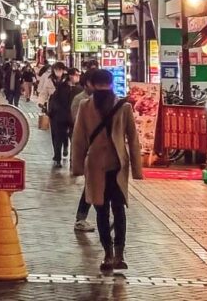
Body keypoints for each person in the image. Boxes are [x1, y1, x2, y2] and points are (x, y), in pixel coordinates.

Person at [71, 68, 143, 273]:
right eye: (100, 84)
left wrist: (137, 169)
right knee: (104, 210)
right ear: (93, 85)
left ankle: (116, 254)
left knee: (115, 210)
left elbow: (133, 139)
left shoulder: (124, 107)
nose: (103, 88)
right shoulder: (85, 106)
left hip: (116, 167)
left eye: (105, 84)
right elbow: (79, 138)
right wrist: (77, 166)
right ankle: (110, 253)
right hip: (97, 167)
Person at [70, 72, 95, 233]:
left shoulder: (103, 100)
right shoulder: (80, 100)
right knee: (91, 185)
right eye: (94, 83)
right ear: (86, 84)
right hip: (88, 149)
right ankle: (81, 218)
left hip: (100, 150)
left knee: (95, 185)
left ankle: (83, 217)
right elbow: (77, 125)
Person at [39, 61, 72, 166]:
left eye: (60, 69)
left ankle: (65, 146)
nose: (58, 71)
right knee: (55, 134)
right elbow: (44, 92)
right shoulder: (49, 80)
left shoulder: (68, 80)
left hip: (66, 110)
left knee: (64, 133)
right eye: (56, 69)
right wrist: (41, 103)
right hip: (54, 111)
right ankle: (57, 156)